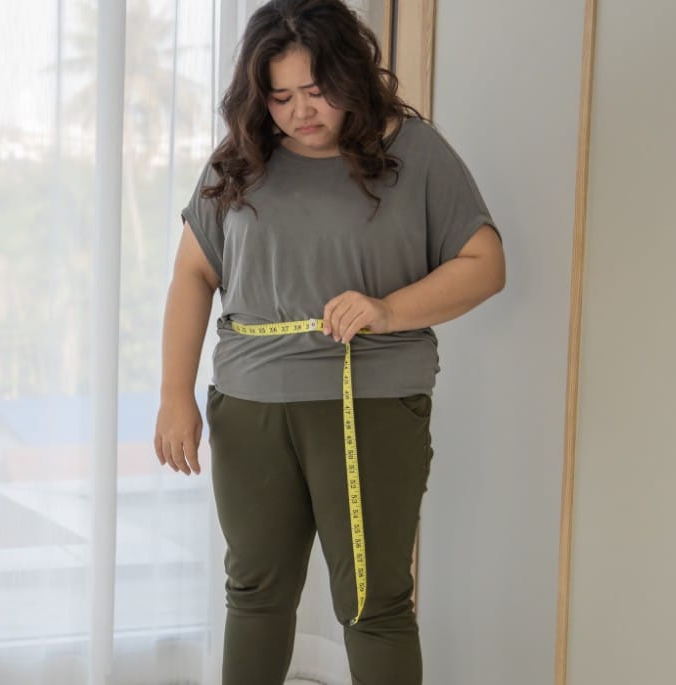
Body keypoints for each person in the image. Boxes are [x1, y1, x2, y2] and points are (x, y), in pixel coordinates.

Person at [154, 0, 505, 683]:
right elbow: (194, 272)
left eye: (315, 91)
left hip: (371, 400)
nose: (298, 112)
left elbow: (484, 264)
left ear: (351, 75)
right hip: (251, 404)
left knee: (375, 604)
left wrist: (386, 308)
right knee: (254, 595)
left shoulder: (414, 151)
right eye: (279, 95)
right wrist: (175, 395)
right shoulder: (240, 159)